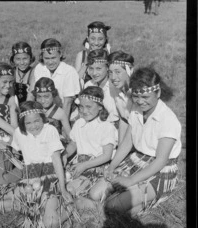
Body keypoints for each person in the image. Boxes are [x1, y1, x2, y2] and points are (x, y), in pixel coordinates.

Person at [0, 101, 76, 228]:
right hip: (29, 181)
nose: (33, 126)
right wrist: (4, 146)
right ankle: (32, 207)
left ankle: (71, 206)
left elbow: (56, 160)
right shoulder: (19, 132)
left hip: (49, 180)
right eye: (28, 123)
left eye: (37, 121)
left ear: (43, 119)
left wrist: (62, 188)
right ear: (22, 122)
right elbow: (16, 150)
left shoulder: (49, 130)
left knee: (50, 224)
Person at [104, 67, 181, 215]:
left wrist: (131, 180)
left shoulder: (168, 120)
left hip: (160, 170)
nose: (140, 101)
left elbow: (160, 161)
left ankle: (144, 200)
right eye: (136, 96)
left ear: (158, 93)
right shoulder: (135, 109)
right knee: (97, 193)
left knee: (112, 206)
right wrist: (112, 166)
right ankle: (136, 204)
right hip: (137, 159)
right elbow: (127, 143)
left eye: (145, 97)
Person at [64, 86, 118, 210]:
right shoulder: (79, 123)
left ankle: (93, 205)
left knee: (70, 188)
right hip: (80, 164)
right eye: (81, 107)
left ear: (100, 107)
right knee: (60, 182)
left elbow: (107, 155)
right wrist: (64, 155)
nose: (84, 111)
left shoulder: (106, 127)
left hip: (96, 167)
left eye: (89, 107)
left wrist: (85, 165)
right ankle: (78, 200)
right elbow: (73, 143)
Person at [28, 38, 80, 119]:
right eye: (47, 58)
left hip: (65, 111)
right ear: (42, 57)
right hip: (44, 109)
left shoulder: (69, 71)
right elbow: (31, 94)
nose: (50, 62)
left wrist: (63, 124)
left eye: (53, 58)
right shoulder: (39, 68)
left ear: (60, 54)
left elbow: (68, 102)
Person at [78, 49, 119, 124]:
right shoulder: (88, 85)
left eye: (98, 69)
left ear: (107, 68)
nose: (94, 73)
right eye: (91, 69)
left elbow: (115, 117)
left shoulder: (114, 87)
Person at [32, 77, 71, 142]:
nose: (42, 100)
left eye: (46, 96)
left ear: (53, 95)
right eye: (39, 96)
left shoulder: (60, 113)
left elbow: (70, 136)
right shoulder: (33, 110)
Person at [108, 51, 135, 143]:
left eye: (118, 72)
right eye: (110, 72)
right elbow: (123, 119)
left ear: (130, 70)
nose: (113, 77)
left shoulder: (137, 93)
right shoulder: (116, 90)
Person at [75, 21, 111, 87]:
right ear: (87, 38)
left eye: (100, 39)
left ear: (105, 39)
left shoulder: (108, 55)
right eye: (93, 39)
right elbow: (75, 81)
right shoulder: (81, 55)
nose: (96, 43)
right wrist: (86, 63)